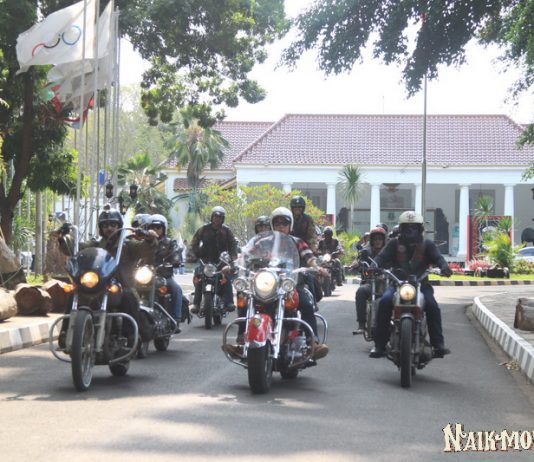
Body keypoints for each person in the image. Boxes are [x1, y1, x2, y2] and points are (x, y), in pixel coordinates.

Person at [226, 207, 329, 360]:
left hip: (289, 284)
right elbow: (245, 255)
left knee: (306, 302)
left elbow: (309, 257)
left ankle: (312, 343)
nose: (281, 226)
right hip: (266, 284)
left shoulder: (297, 242)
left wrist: (317, 267)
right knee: (244, 297)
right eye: (277, 223)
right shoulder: (262, 242)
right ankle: (241, 340)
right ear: (272, 225)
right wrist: (233, 264)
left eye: (284, 223)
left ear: (290, 225)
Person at [55, 209, 158, 345]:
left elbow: (145, 248)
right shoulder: (96, 244)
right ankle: (65, 333)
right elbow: (76, 248)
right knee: (75, 294)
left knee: (129, 297)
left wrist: (150, 239)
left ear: (119, 226)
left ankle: (132, 335)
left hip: (121, 286)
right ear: (101, 228)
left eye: (112, 225)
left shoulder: (128, 245)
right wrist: (63, 239)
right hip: (98, 286)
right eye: (105, 225)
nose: (109, 228)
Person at [369, 211, 453, 359]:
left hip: (421, 285)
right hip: (397, 284)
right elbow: (381, 257)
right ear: (401, 229)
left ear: (420, 229)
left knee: (432, 306)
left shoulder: (427, 245)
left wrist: (444, 267)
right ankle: (379, 345)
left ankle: (438, 345)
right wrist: (374, 265)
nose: (410, 231)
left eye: (414, 227)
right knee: (384, 302)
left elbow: (438, 258)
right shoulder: (394, 244)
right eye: (407, 227)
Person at [190, 206, 238, 314]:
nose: (217, 219)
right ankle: (196, 303)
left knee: (226, 277)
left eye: (219, 217)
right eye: (215, 216)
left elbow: (232, 246)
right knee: (199, 277)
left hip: (221, 261)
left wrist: (232, 259)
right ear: (212, 217)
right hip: (205, 260)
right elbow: (194, 243)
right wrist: (193, 254)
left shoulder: (227, 231)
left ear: (223, 219)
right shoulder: (203, 229)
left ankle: (229, 302)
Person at [147, 214, 184, 330]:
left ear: (163, 229)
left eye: (158, 227)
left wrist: (175, 260)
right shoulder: (144, 243)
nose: (155, 230)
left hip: (163, 276)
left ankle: (175, 320)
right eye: (152, 227)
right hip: (145, 277)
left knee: (177, 289)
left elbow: (176, 253)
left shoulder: (169, 243)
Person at [351, 227, 387, 334]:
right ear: (371, 240)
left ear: (384, 240)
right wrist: (357, 265)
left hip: (387, 283)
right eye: (375, 239)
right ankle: (361, 325)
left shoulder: (389, 251)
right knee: (361, 291)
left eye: (380, 239)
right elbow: (359, 262)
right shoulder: (366, 252)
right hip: (372, 282)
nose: (377, 241)